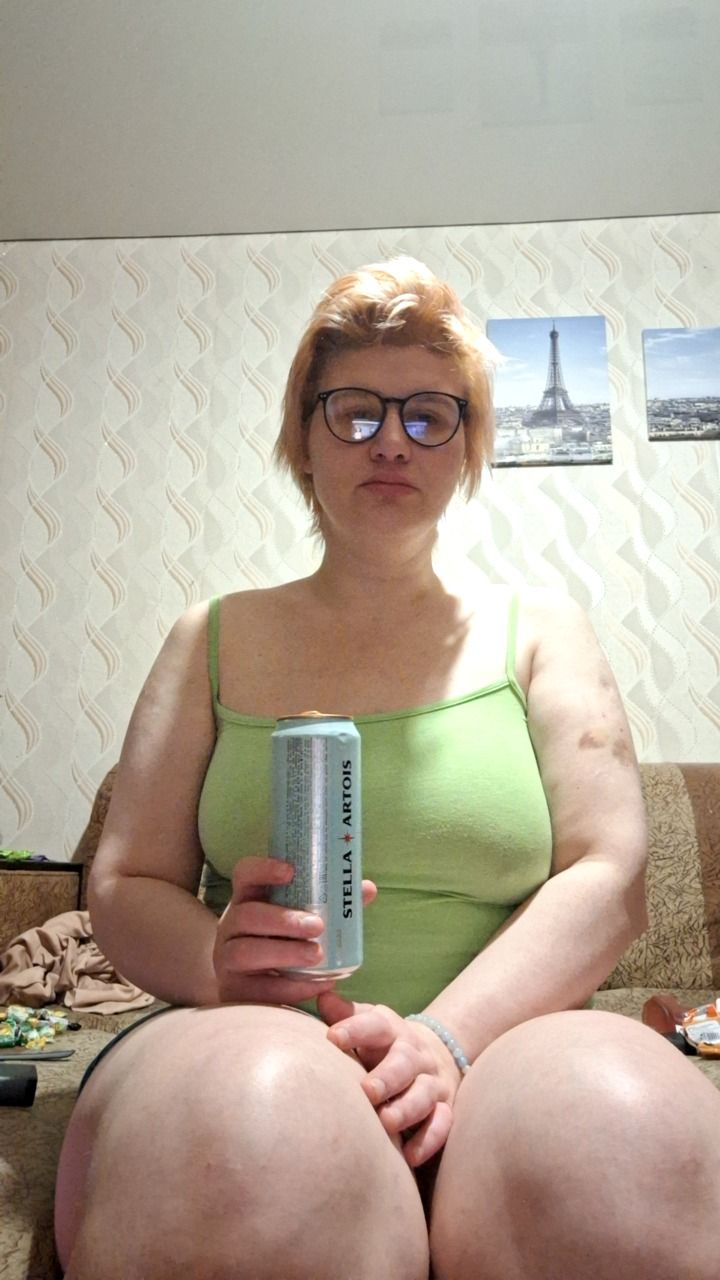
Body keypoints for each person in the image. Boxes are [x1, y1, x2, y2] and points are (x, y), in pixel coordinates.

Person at [55, 257, 720, 1280]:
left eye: (429, 414)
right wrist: (214, 957)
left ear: (468, 444)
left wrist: (445, 1039)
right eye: (357, 411)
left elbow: (612, 873)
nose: (393, 440)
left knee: (617, 1144)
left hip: (512, 1046)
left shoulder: (542, 629)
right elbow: (126, 880)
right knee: (243, 1136)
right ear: (304, 436)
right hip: (253, 1033)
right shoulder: (211, 636)